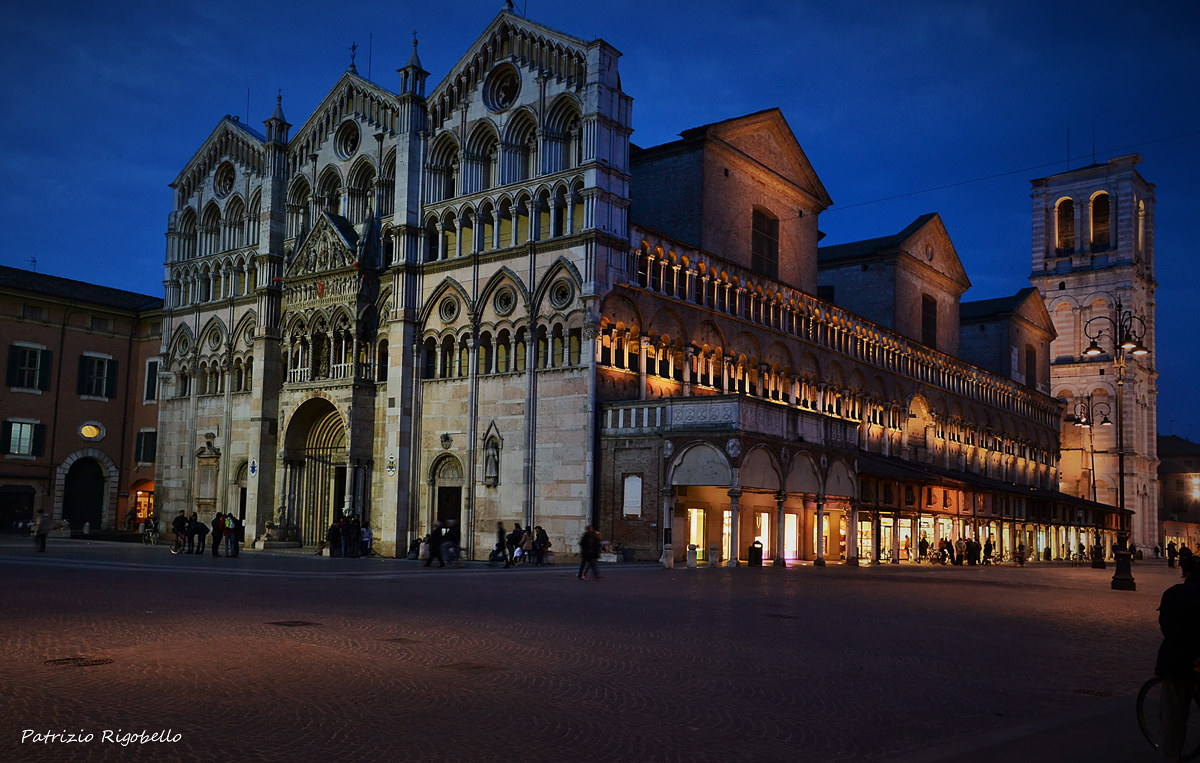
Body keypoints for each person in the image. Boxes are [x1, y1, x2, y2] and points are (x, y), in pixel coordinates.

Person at [1155, 554, 1200, 761]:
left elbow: (1167, 627)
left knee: (1173, 719)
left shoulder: (1173, 593)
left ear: (1185, 572)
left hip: (1177, 662)